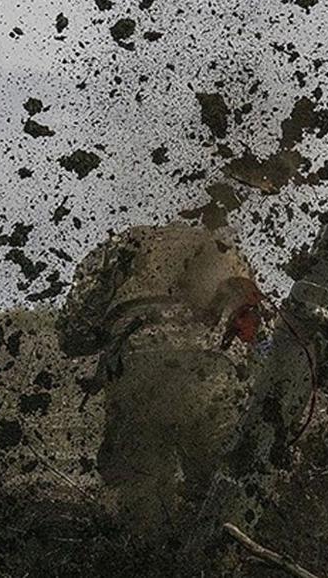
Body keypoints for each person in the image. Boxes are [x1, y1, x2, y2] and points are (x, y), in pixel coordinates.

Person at [57, 222, 267, 539]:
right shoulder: (223, 248)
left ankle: (146, 558)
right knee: (225, 487)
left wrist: (111, 329)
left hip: (138, 365)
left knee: (138, 493)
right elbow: (260, 338)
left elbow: (72, 332)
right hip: (213, 372)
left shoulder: (124, 245)